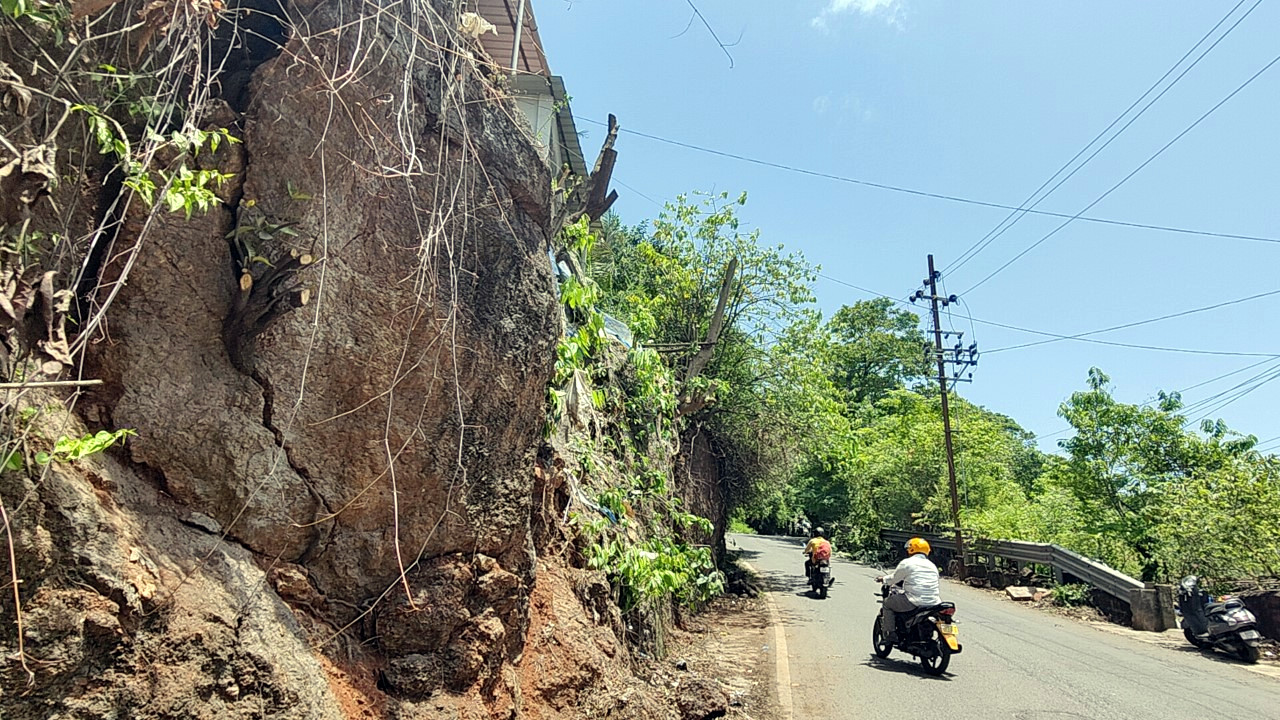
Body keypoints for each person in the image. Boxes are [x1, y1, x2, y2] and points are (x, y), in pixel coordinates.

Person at [876, 537, 941, 643]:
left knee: (887, 603)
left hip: (914, 601)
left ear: (912, 549)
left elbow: (893, 579)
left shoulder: (907, 563)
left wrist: (883, 579)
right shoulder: (932, 566)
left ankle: (890, 634)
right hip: (934, 603)